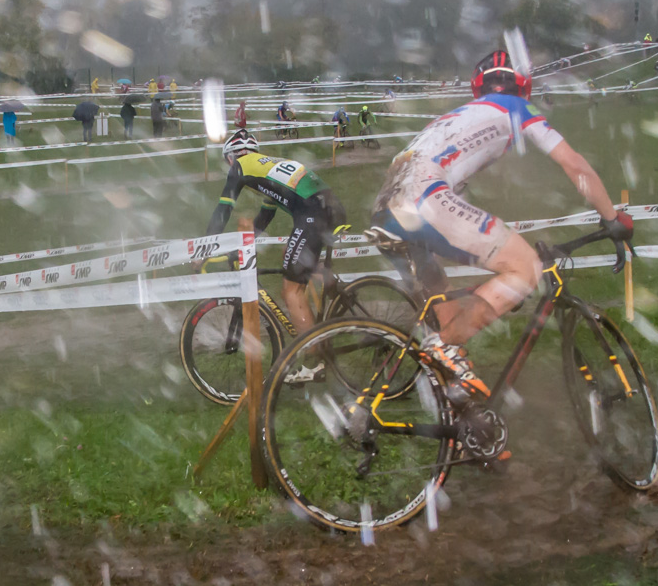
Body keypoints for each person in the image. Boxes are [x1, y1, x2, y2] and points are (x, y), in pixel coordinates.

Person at [369, 48, 631, 400]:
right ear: (523, 87)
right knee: (525, 268)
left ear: (479, 88)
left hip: (386, 207)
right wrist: (612, 218)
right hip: (423, 199)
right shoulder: (516, 106)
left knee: (449, 317)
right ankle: (441, 348)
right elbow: (574, 165)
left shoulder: (454, 117)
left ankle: (461, 418)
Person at [205, 130, 347, 337]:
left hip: (313, 214)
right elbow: (265, 216)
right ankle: (340, 294)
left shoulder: (240, 166)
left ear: (230, 157)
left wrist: (205, 248)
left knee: (291, 291)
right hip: (330, 208)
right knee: (288, 253)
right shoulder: (268, 168)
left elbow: (223, 210)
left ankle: (314, 354)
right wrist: (243, 246)